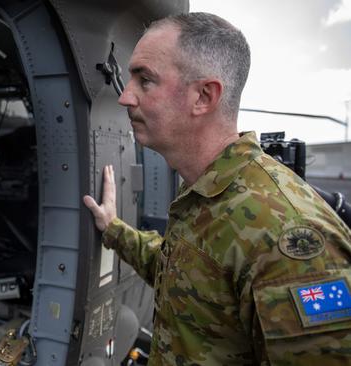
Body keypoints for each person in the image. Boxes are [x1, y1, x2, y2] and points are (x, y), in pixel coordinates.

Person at [83, 12, 351, 365]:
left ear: (204, 97)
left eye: (145, 80)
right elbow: (180, 275)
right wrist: (114, 229)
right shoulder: (203, 194)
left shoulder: (287, 234)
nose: (126, 97)